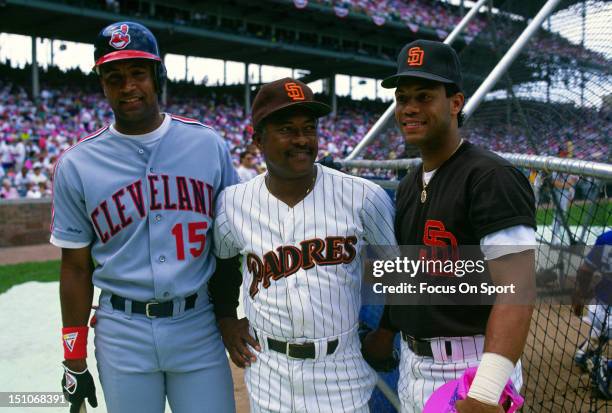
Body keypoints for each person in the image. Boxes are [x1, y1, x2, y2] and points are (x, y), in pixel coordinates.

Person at [51, 21, 237, 413]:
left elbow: (229, 243)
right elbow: (75, 269)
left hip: (197, 322)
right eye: (114, 76)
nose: (127, 86)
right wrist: (73, 357)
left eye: (138, 73)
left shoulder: (207, 144)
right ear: (102, 84)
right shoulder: (77, 163)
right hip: (122, 329)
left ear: (158, 76)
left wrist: (227, 315)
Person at [362, 39, 537, 412]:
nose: (409, 108)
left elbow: (517, 292)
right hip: (412, 363)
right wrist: (387, 331)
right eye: (402, 98)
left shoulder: (491, 176)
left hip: (470, 366)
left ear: (455, 103)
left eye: (424, 96)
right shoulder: (411, 183)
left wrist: (487, 389)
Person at [211, 77, 397, 412]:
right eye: (286, 129)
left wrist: (385, 332)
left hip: (341, 369)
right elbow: (223, 269)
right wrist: (226, 319)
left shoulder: (363, 196)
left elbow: (402, 273)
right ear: (258, 140)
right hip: (268, 370)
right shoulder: (232, 203)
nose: (301, 140)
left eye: (308, 128)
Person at [572, 230, 611, 400]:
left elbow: (584, 270)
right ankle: (605, 366)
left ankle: (586, 351)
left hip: (596, 309)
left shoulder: (606, 237)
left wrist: (580, 296)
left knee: (603, 326)